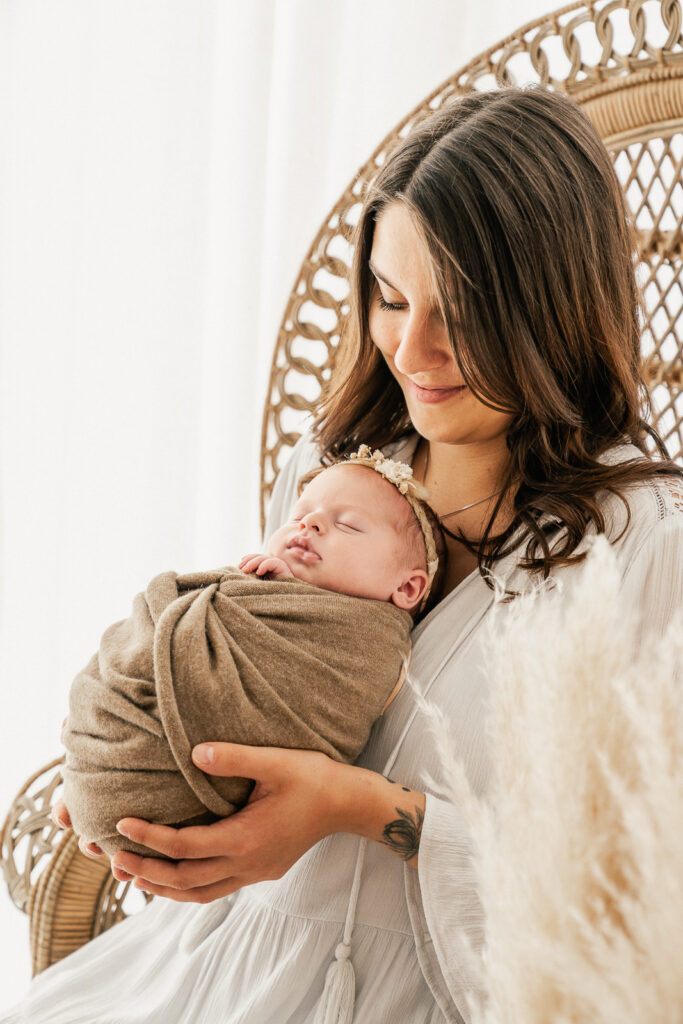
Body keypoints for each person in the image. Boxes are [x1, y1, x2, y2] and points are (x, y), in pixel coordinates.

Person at [3, 86, 682, 1024]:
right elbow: (249, 683)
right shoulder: (330, 472)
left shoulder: (647, 550)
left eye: (462, 312)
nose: (412, 350)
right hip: (214, 967)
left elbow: (636, 899)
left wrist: (357, 809)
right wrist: (151, 789)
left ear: (552, 310)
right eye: (389, 297)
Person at [61, 453, 445, 858]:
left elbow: (314, 705)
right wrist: (255, 587)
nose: (308, 524)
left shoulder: (370, 643)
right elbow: (180, 625)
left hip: (197, 788)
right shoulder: (268, 574)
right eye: (299, 515)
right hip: (110, 759)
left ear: (406, 589)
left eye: (347, 524)